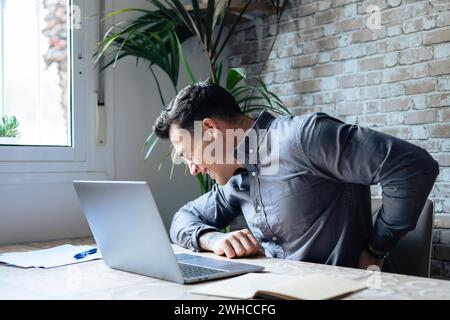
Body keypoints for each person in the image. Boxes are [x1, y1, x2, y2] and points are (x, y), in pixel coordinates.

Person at [153, 81, 439, 270]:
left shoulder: (303, 137)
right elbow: (183, 219)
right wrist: (212, 239)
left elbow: (412, 167)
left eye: (189, 155)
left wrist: (377, 247)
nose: (192, 168)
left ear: (211, 130)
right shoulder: (236, 179)